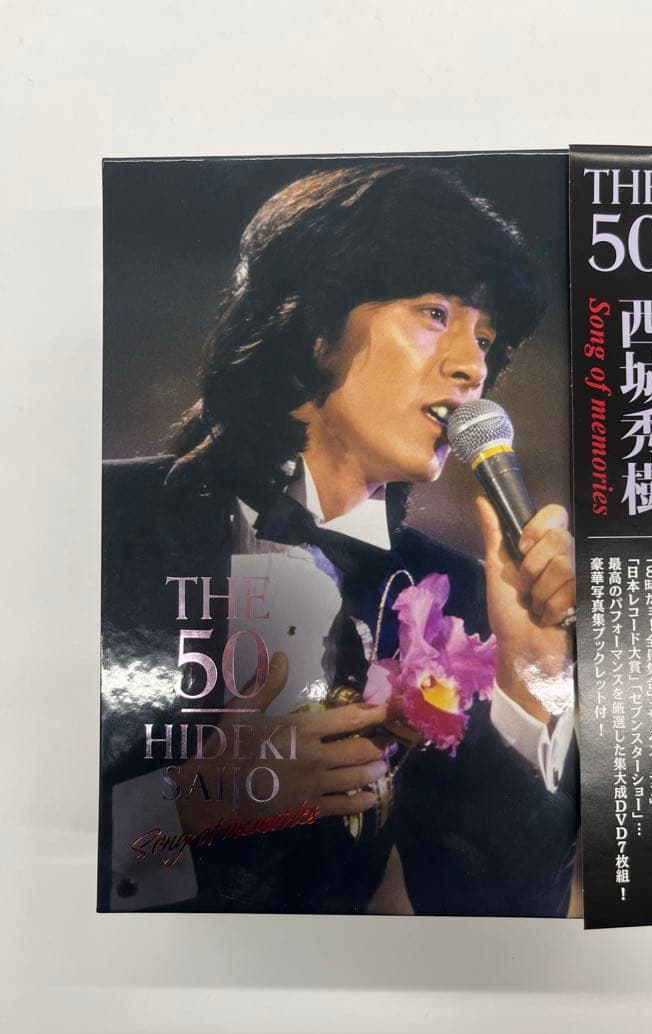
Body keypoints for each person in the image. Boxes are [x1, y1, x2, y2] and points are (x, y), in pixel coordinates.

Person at [99, 163, 579, 916]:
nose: (473, 365)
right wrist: (190, 806)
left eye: (487, 340)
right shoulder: (104, 519)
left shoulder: (456, 598)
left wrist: (528, 676)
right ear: (316, 327)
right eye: (434, 313)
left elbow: (503, 913)